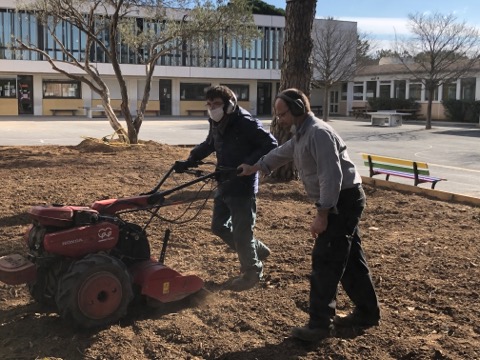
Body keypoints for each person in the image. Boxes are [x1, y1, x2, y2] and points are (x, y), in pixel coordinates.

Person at [238, 88, 380, 341]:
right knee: (350, 262)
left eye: (282, 114)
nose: (279, 119)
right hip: (341, 200)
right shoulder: (302, 134)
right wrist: (256, 167)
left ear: (298, 109)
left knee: (325, 261)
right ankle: (367, 313)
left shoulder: (319, 134)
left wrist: (323, 214)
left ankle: (319, 327)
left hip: (341, 201)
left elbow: (331, 177)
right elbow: (283, 152)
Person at [175, 85, 278, 291]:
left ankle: (252, 272)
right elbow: (210, 143)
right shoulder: (216, 122)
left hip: (242, 185)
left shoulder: (245, 123)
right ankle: (257, 249)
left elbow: (271, 143)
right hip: (223, 180)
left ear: (230, 105)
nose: (212, 108)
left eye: (217, 104)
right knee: (219, 226)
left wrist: (250, 164)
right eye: (210, 104)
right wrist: (190, 159)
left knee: (241, 232)